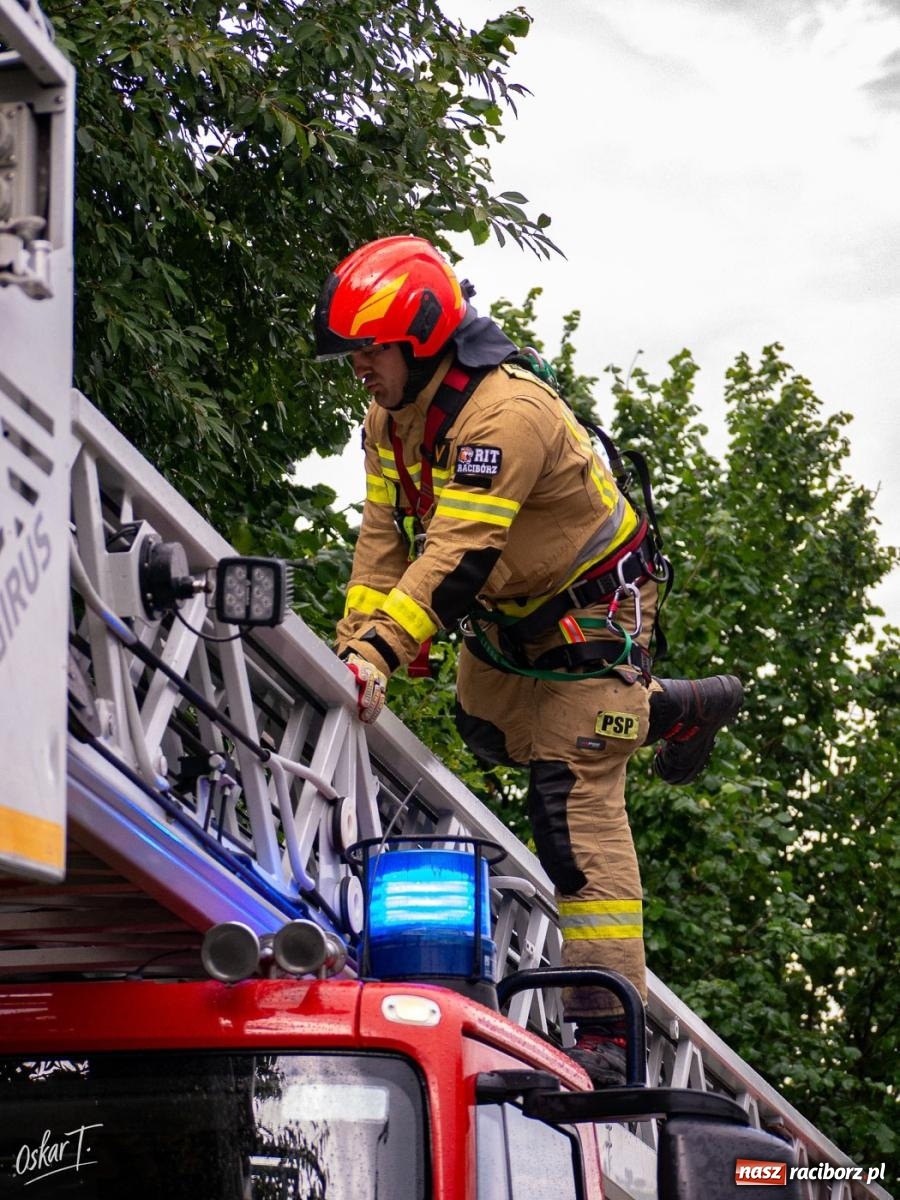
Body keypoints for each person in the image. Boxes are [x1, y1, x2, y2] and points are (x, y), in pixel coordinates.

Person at [314, 235, 743, 1086]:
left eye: (369, 349)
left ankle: (607, 1029)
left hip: (593, 614)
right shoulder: (387, 419)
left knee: (571, 804)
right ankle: (668, 710)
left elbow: (459, 552)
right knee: (489, 727)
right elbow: (382, 542)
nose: (359, 366)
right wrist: (355, 647)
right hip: (513, 618)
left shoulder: (507, 415)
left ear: (422, 337)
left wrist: (388, 650)